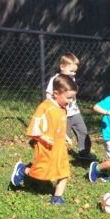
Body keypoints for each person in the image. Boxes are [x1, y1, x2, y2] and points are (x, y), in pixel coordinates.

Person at [9, 74, 77, 205]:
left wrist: (66, 136)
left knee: (64, 171)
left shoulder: (63, 108)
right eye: (68, 98)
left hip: (60, 147)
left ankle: (57, 197)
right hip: (46, 146)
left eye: (72, 98)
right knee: (42, 172)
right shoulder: (46, 107)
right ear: (56, 93)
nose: (70, 101)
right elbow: (35, 125)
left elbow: (60, 125)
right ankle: (23, 170)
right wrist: (42, 137)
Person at [46, 53, 96, 161]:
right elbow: (48, 95)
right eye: (71, 71)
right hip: (62, 114)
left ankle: (84, 153)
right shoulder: (55, 79)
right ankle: (59, 156)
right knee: (63, 136)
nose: (73, 74)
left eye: (75, 71)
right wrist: (52, 107)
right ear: (62, 67)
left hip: (74, 112)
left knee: (83, 131)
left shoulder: (71, 79)